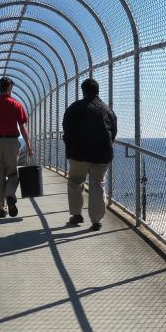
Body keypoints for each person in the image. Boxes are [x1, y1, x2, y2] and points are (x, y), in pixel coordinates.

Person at [62, 78, 117, 231]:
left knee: (74, 181)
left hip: (78, 153)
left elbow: (67, 129)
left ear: (83, 91)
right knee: (97, 185)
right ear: (98, 91)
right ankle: (96, 220)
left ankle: (76, 214)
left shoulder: (74, 108)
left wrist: (70, 146)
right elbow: (113, 132)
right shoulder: (107, 109)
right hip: (102, 154)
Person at [0, 76, 34, 218]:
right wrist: (28, 146)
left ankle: (2, 209)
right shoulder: (16, 104)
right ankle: (10, 194)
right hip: (12, 142)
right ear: (9, 88)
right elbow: (22, 127)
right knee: (13, 174)